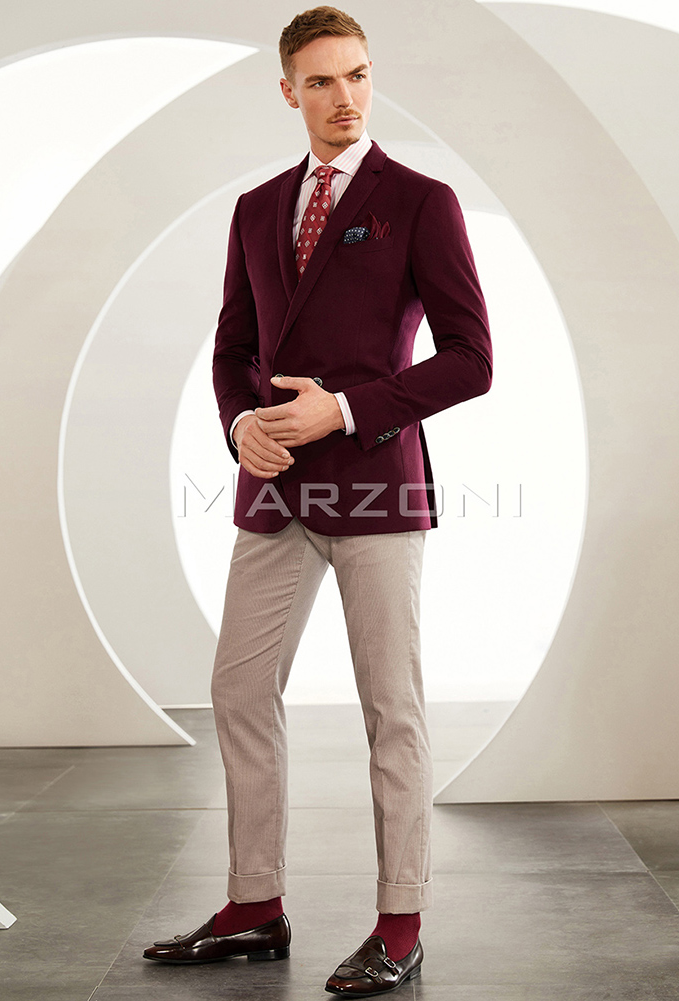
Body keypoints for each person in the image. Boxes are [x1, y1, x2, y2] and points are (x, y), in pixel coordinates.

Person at [144, 6, 492, 996]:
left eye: (360, 75)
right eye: (325, 80)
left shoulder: (420, 201)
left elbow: (472, 359)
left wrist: (341, 408)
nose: (347, 97)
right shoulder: (257, 209)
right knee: (238, 689)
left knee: (392, 707)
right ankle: (254, 903)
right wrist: (237, 429)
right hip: (274, 490)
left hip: (376, 483)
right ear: (288, 90)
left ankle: (400, 922)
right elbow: (232, 349)